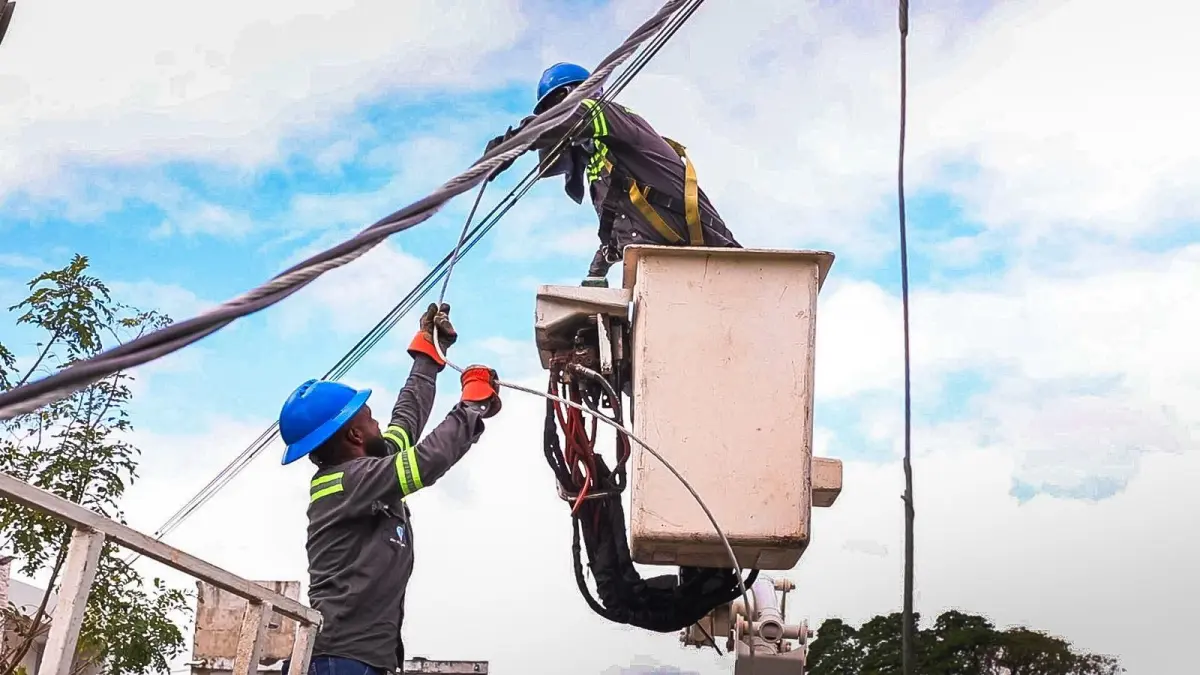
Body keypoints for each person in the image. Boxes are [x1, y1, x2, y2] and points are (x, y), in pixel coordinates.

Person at [277, 303, 502, 675]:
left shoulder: (363, 474)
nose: (378, 419)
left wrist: (428, 359)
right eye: (368, 416)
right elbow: (426, 461)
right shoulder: (346, 483)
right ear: (353, 434)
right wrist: (471, 405)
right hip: (341, 661)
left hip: (361, 658)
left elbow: (406, 422)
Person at [485, 61, 742, 287]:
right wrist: (595, 275)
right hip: (675, 271)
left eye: (559, 105)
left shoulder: (612, 117)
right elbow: (616, 228)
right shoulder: (600, 165)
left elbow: (578, 117)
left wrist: (513, 143)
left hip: (718, 260)